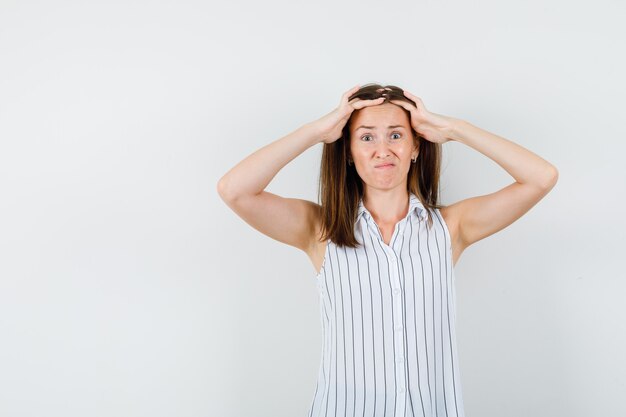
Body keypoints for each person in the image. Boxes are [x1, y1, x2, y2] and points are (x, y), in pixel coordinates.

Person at [217, 83, 558, 417]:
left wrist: (454, 129)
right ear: (348, 152)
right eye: (366, 137)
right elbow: (235, 190)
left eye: (396, 135)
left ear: (415, 147)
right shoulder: (321, 230)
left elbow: (541, 177)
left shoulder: (450, 229)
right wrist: (317, 131)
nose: (383, 149)